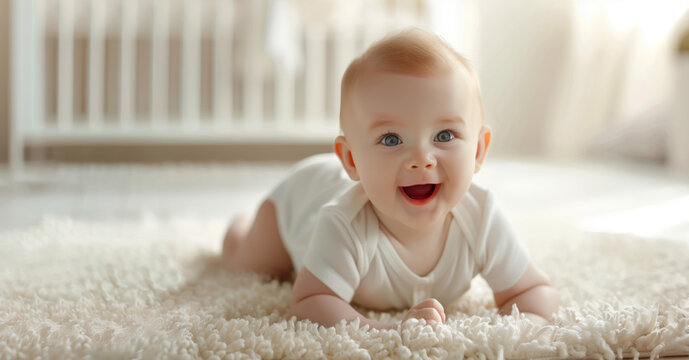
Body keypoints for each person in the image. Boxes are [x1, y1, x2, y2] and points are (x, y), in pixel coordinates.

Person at [221, 28, 560, 330]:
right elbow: (311, 301)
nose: (421, 160)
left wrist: (521, 329)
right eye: (391, 139)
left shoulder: (481, 216)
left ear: (478, 152)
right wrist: (386, 329)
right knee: (248, 266)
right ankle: (238, 229)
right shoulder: (345, 223)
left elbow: (533, 290)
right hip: (295, 205)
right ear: (352, 160)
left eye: (444, 135)